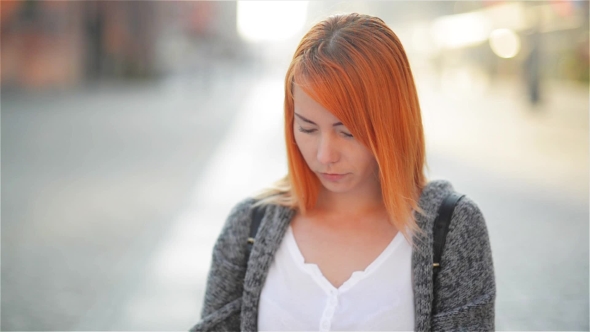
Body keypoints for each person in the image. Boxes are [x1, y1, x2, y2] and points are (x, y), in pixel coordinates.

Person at [190, 13, 495, 332]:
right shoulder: (248, 225)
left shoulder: (452, 228)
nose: (324, 155)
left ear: (393, 122)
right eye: (307, 129)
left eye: (347, 132)